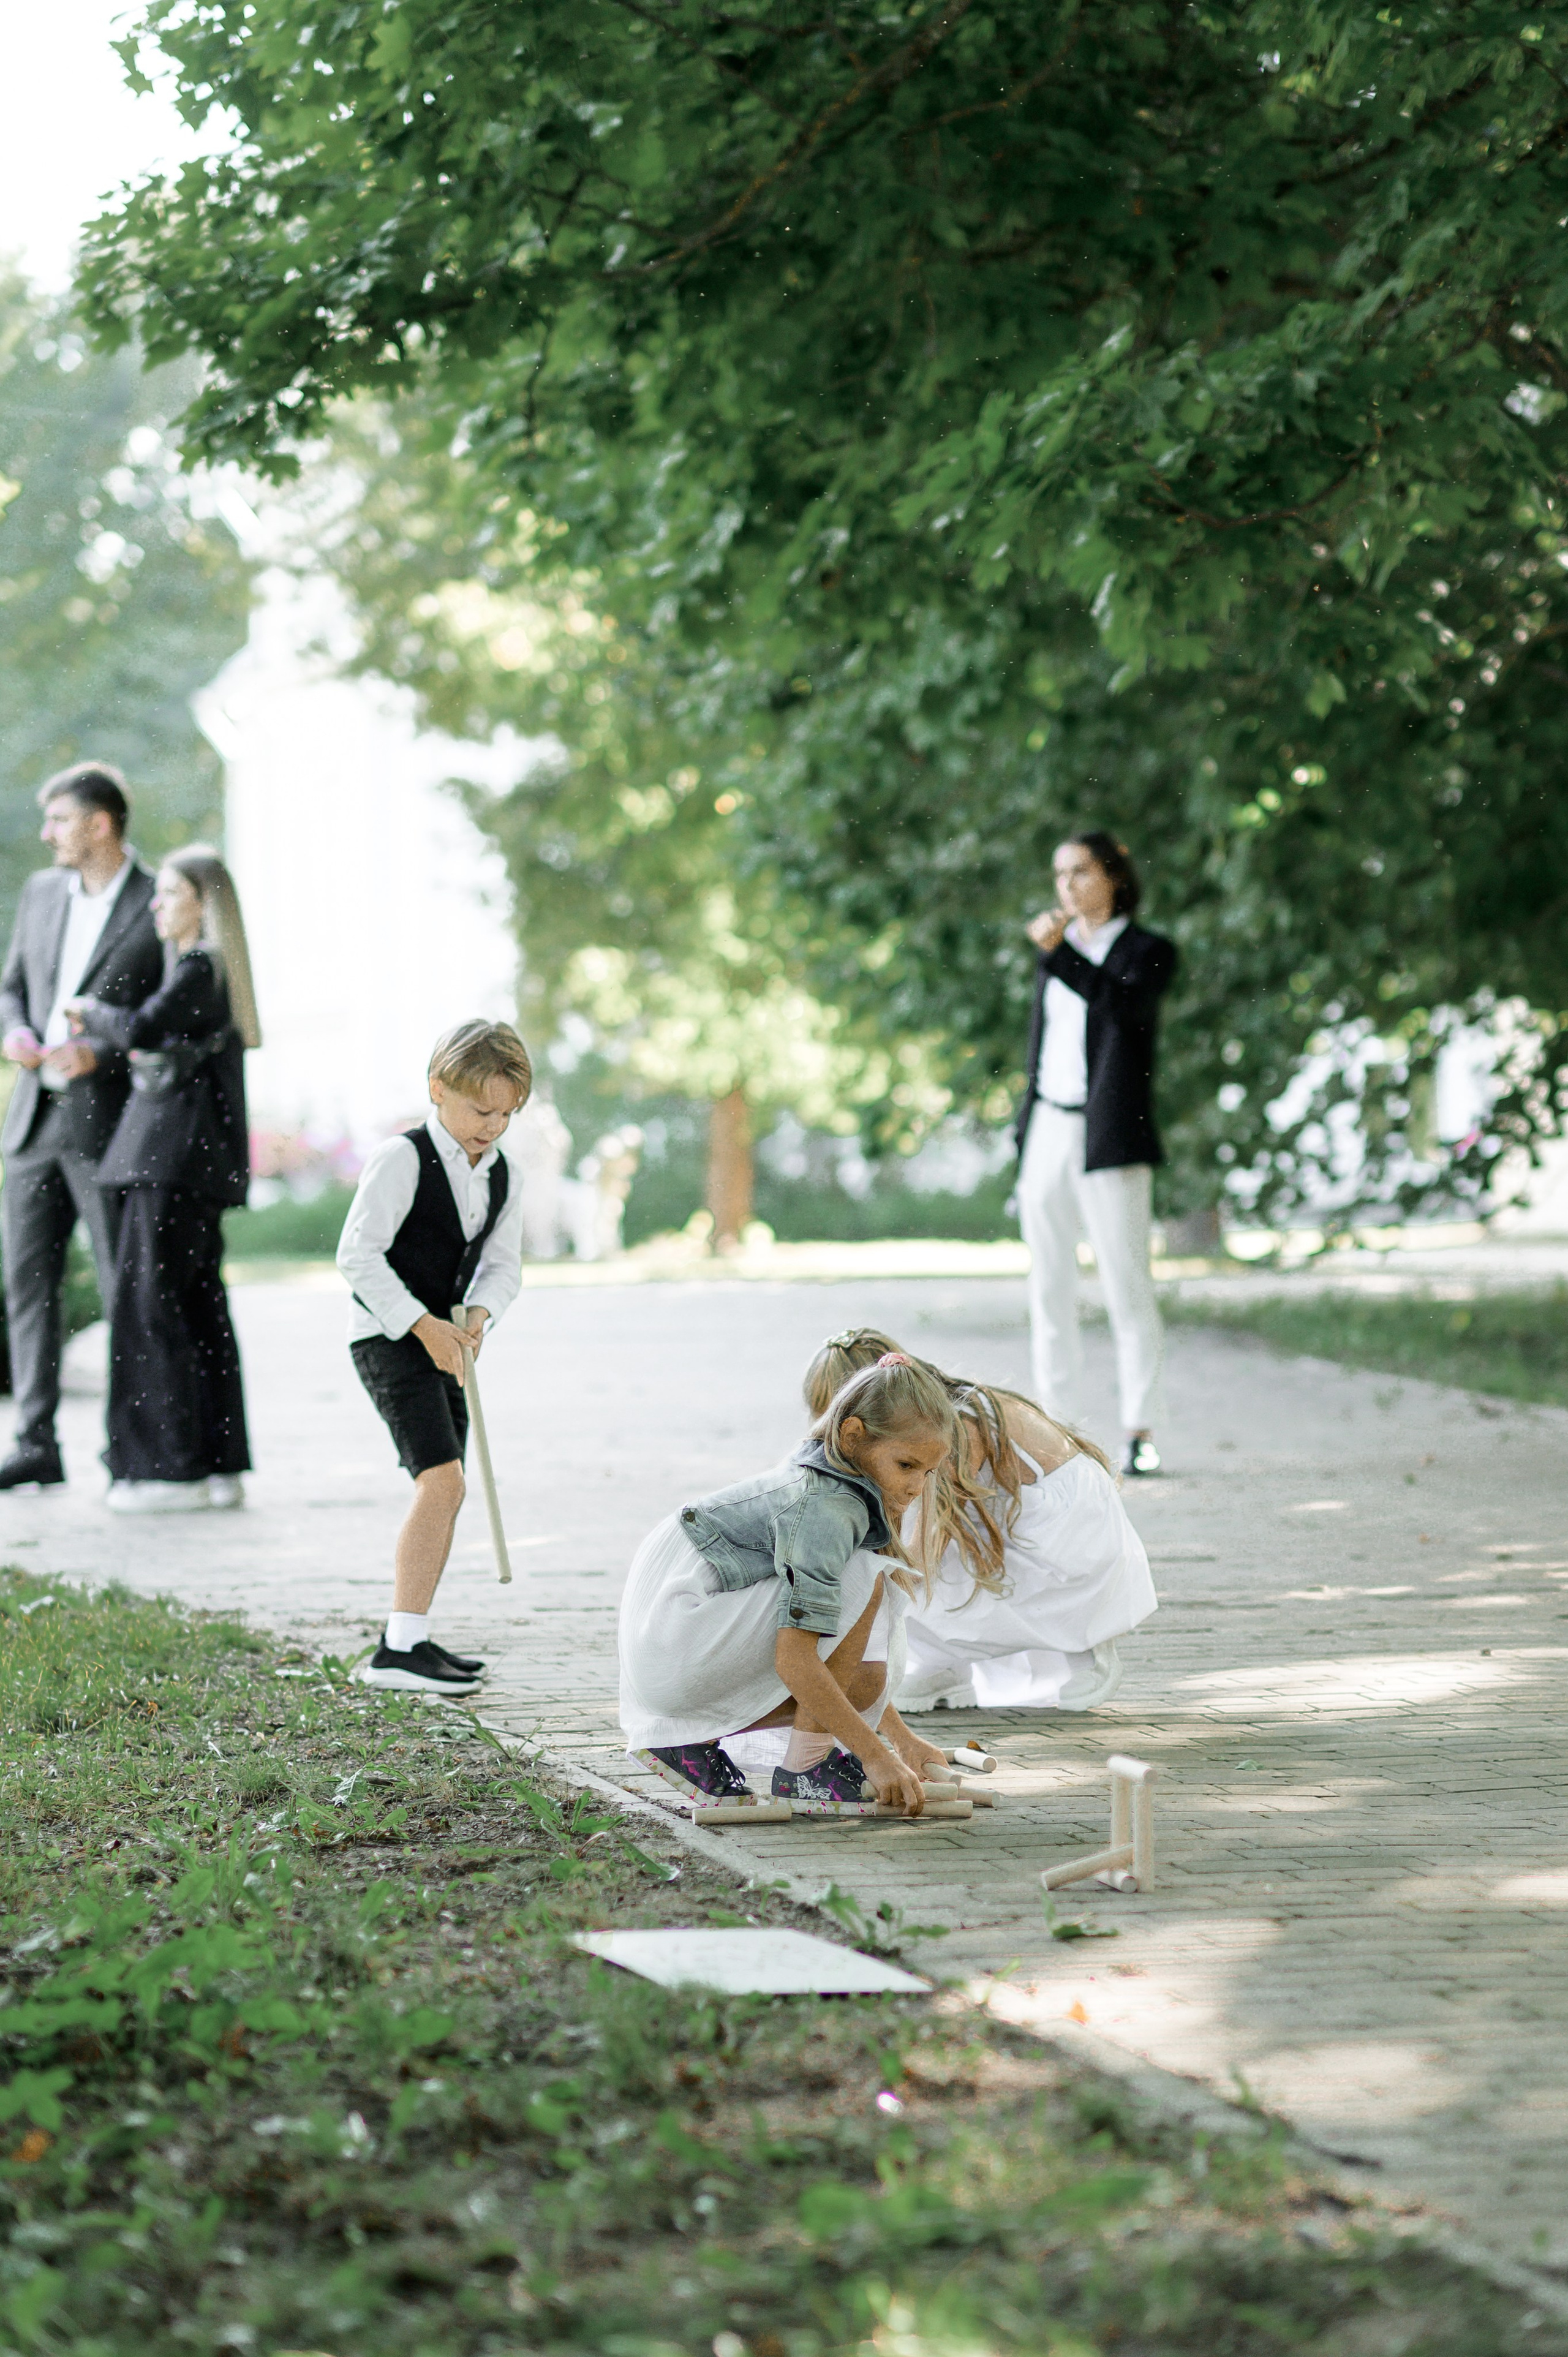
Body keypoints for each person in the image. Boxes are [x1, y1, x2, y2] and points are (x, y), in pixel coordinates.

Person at [619, 1353, 956, 1817]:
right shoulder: (827, 1510)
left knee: (866, 1683)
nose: (918, 1486)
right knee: (865, 1577)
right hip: (673, 1646)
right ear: (853, 1435)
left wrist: (900, 1740)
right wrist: (875, 1758)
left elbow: (839, 1657)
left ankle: (689, 1741)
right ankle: (805, 1769)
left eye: (929, 1472)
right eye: (906, 1465)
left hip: (670, 1653)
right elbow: (794, 1658)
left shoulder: (830, 1472)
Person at [803, 1327, 1156, 1713]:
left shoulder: (954, 1426)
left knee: (900, 1561)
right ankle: (944, 1664)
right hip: (1027, 1520)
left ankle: (1089, 1645)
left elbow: (928, 1536)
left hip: (1072, 1536)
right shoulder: (934, 1413)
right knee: (900, 1555)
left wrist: (873, 1578)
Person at [337, 1020, 532, 1694]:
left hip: (447, 1341)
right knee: (441, 1481)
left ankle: (411, 1635)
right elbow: (356, 1254)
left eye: (507, 1113)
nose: (494, 1126)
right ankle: (394, 1651)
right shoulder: (401, 1157)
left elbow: (503, 1265)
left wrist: (478, 1316)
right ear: (438, 1089)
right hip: (389, 1338)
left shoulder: (503, 1172)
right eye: (482, 1110)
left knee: (449, 1489)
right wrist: (422, 1325)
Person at [67, 847, 260, 1512]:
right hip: (185, 1165)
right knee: (199, 1309)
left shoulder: (200, 967)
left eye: (170, 892)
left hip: (167, 1161)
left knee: (149, 1306)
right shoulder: (210, 973)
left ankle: (165, 1470)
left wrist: (87, 1009)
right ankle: (212, 1465)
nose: (155, 903)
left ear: (202, 903)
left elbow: (141, 1027)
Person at [0, 763, 164, 1488]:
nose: (48, 834)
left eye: (60, 820)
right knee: (26, 1283)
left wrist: (98, 1049)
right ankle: (35, 1442)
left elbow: (170, 1010)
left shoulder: (159, 899)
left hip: (112, 1125)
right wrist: (13, 1032)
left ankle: (122, 1447)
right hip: (33, 1119)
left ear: (100, 824)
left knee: (118, 1281)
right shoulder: (39, 894)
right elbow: (12, 987)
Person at [1015, 830, 1177, 1477]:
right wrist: (1022, 1130)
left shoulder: (1148, 950)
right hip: (1049, 1128)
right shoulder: (1058, 953)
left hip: (1109, 1134)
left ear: (1113, 874)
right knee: (1048, 1284)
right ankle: (1053, 1430)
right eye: (1059, 874)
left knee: (1125, 1283)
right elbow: (1043, 1046)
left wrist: (1059, 957)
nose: (1068, 885)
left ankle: (1141, 1427)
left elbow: (1123, 1008)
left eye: (1081, 871)